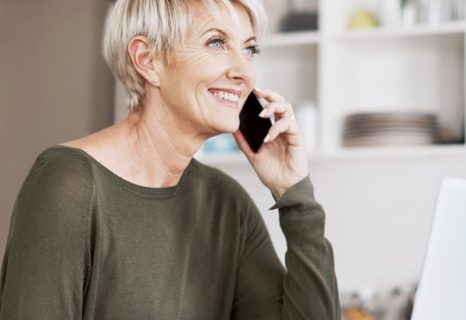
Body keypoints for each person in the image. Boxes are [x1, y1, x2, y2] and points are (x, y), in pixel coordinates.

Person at [0, 0, 340, 319]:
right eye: (216, 43)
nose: (243, 72)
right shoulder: (67, 184)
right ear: (147, 60)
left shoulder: (226, 204)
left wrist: (294, 194)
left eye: (249, 49)